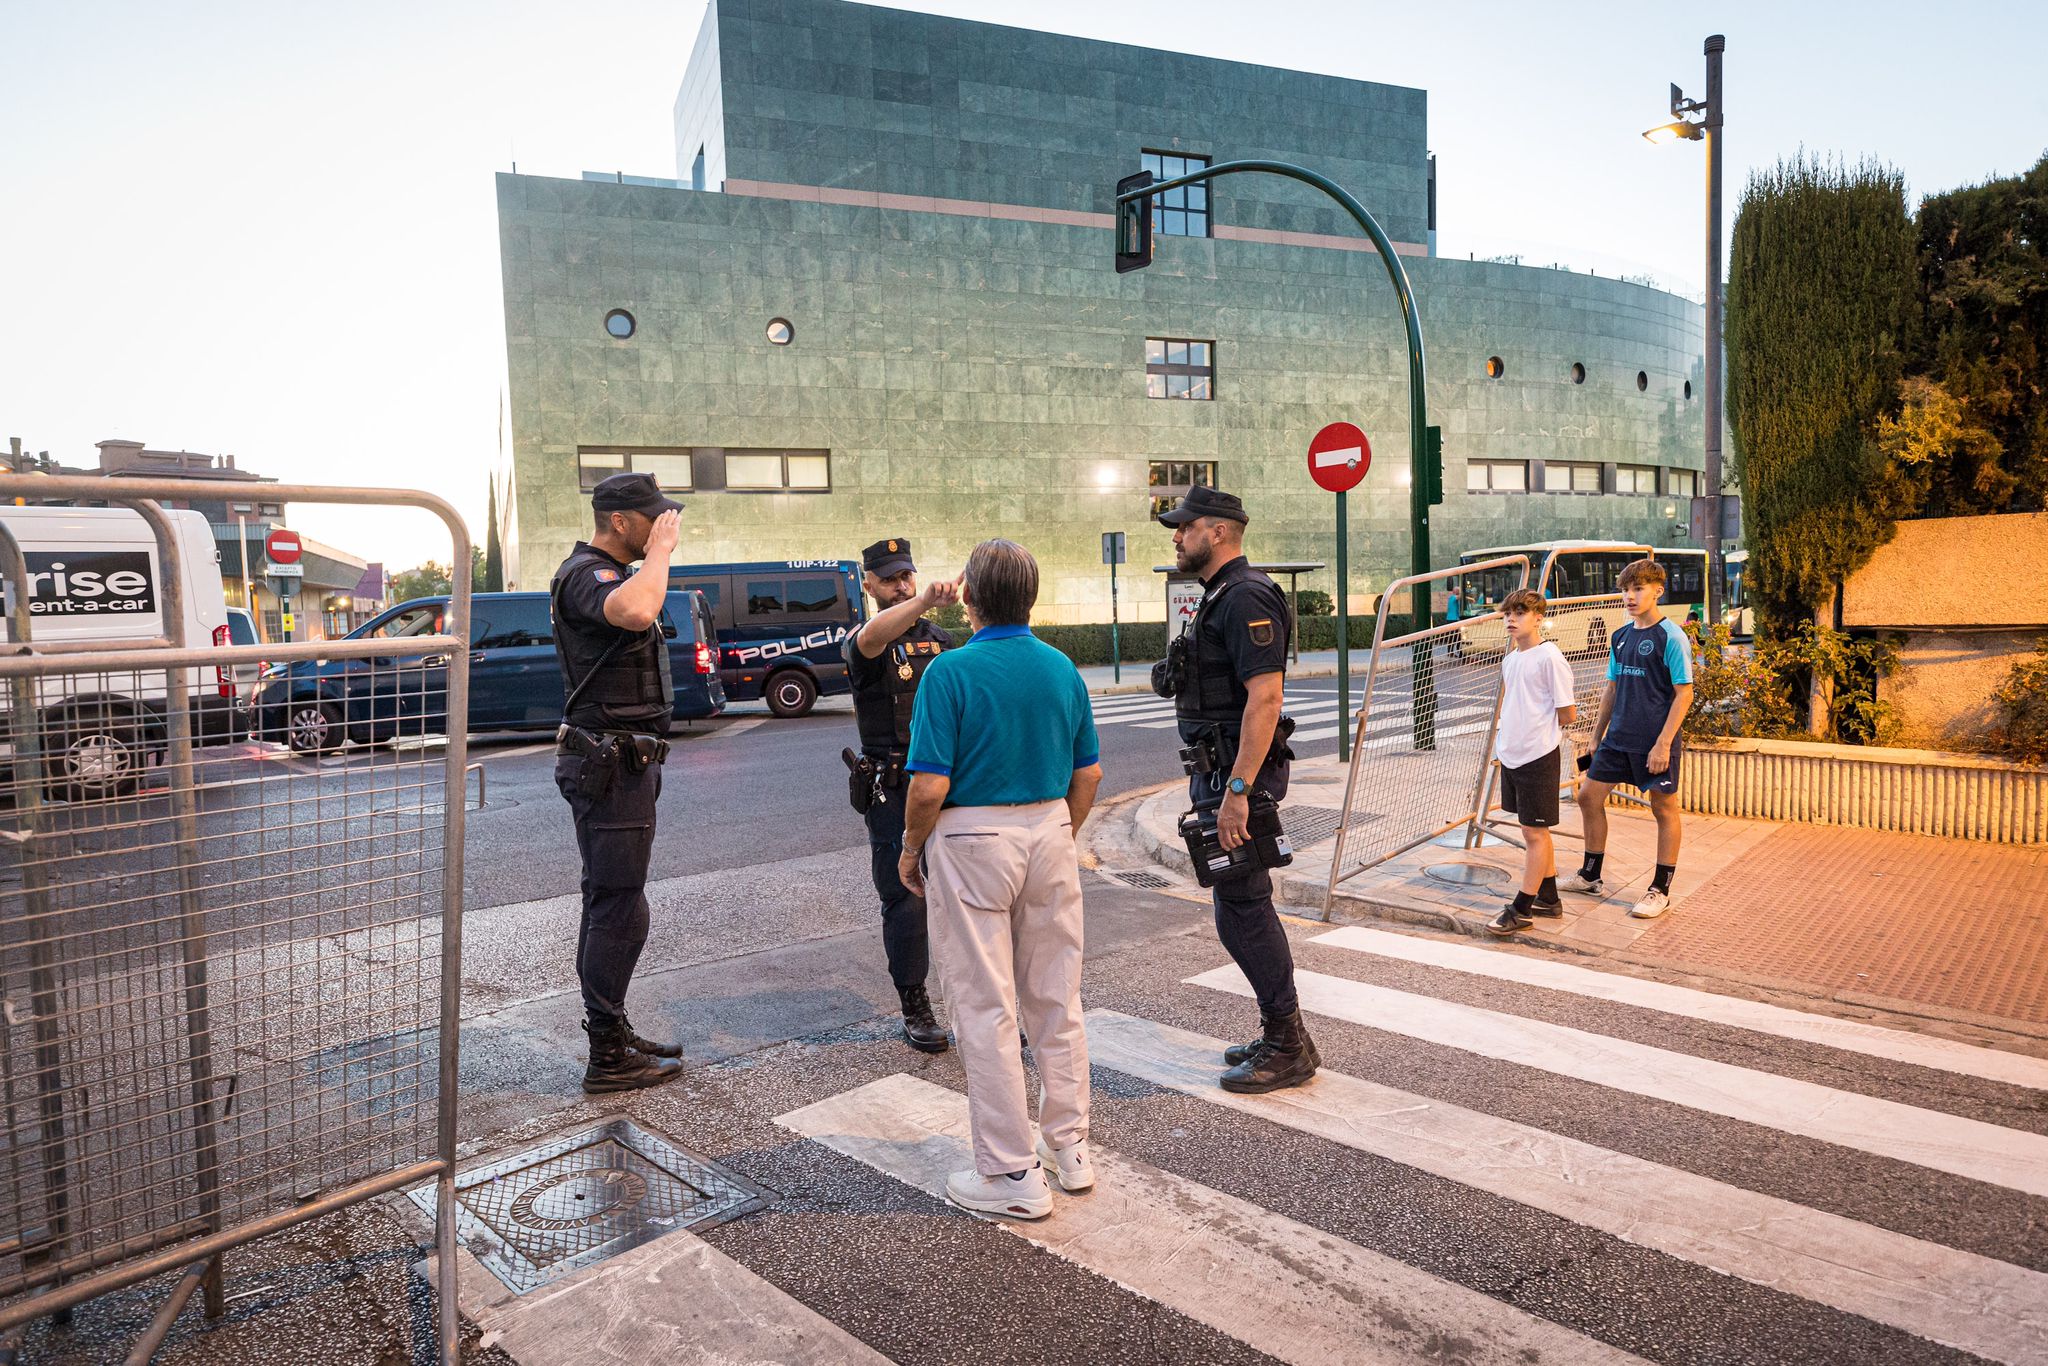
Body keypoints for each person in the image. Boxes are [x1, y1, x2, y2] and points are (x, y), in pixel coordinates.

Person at [898, 540, 1102, 1220]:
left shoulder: (948, 673)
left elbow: (929, 785)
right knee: (1056, 996)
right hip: (1049, 826)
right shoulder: (1062, 670)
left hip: (971, 835)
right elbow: (1090, 773)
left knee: (986, 1006)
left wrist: (909, 847)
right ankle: (1068, 1149)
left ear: (973, 600)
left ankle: (1011, 1173)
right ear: (1031, 598)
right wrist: (1061, 832)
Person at [1155, 486, 1315, 1094]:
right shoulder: (1219, 595)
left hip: (1235, 776)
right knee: (1234, 905)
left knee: (1244, 906)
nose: (1175, 535)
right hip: (1219, 770)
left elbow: (1266, 698)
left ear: (1217, 531)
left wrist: (1239, 790)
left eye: (1183, 526)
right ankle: (1285, 1033)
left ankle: (1287, 1043)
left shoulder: (1246, 594)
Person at [551, 471, 686, 1094]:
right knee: (618, 906)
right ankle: (606, 1054)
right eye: (653, 520)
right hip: (610, 763)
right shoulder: (587, 575)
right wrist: (658, 554)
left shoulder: (609, 571)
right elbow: (635, 609)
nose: (664, 528)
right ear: (622, 522)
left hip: (625, 761)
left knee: (612, 901)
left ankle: (612, 1028)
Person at [845, 537, 957, 1053]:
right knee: (905, 901)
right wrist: (923, 600)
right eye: (889, 579)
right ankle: (916, 1005)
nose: (901, 585)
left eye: (906, 576)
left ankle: (975, 1007)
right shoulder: (866, 641)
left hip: (945, 786)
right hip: (891, 789)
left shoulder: (938, 639)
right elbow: (871, 639)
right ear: (868, 584)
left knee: (965, 899)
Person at [1563, 557, 1694, 919]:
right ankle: (1591, 875)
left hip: (1654, 741)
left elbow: (1684, 694)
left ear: (1658, 591)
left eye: (1638, 589)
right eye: (1625, 590)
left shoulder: (1672, 637)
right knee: (1588, 796)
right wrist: (1595, 735)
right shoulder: (1620, 636)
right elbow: (1611, 687)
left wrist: (1664, 743)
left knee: (1663, 808)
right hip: (1617, 738)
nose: (1630, 596)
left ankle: (1660, 889)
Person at [1485, 589, 1579, 936]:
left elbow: (1566, 712)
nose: (1511, 618)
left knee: (1534, 832)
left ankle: (1521, 907)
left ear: (1539, 617)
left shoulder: (1549, 657)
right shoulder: (1510, 660)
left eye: (1520, 613)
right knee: (1532, 829)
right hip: (1512, 753)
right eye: (1507, 613)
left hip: (1538, 754)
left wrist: (1538, 732)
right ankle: (1549, 898)